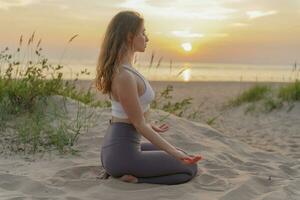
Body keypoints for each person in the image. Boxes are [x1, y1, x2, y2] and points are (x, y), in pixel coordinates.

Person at [95, 10, 202, 185]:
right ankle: (134, 179)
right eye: (143, 33)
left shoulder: (127, 69)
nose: (147, 38)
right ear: (130, 37)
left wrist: (151, 125)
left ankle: (127, 173)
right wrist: (174, 153)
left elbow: (127, 115)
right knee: (189, 168)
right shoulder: (124, 76)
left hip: (119, 149)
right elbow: (138, 124)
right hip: (121, 154)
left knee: (183, 154)